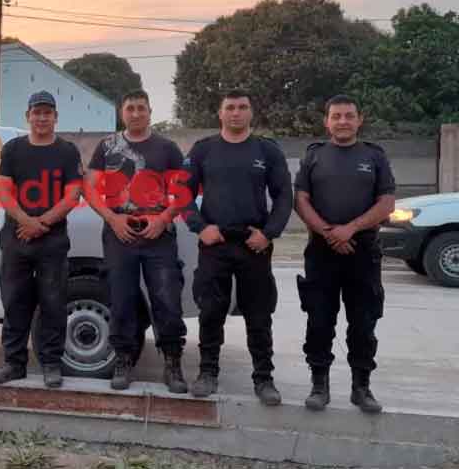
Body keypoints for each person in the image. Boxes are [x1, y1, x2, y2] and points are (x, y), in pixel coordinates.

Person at [180, 89, 293, 405]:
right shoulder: (204, 151)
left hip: (253, 245)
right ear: (220, 113)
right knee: (210, 312)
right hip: (215, 245)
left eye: (242, 107)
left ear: (250, 112)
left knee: (259, 315)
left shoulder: (266, 150)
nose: (236, 113)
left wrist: (269, 233)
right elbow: (182, 195)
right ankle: (207, 373)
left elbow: (284, 196)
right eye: (230, 107)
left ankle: (264, 379)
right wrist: (200, 228)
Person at [293, 94, 395, 414]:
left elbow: (387, 203)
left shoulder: (374, 156)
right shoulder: (314, 156)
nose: (342, 121)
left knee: (363, 321)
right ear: (327, 121)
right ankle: (318, 385)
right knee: (320, 319)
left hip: (363, 251)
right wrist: (328, 232)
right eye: (336, 116)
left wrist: (349, 229)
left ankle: (361, 387)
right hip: (321, 250)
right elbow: (301, 200)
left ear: (359, 119)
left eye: (349, 115)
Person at [85, 89, 188, 393]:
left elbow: (182, 193)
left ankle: (173, 362)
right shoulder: (106, 147)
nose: (136, 113)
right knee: (122, 300)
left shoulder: (166, 148)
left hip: (158, 236)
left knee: (167, 300)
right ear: (122, 113)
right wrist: (111, 218)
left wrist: (163, 220)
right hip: (120, 233)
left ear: (150, 112)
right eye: (130, 108)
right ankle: (124, 360)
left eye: (141, 108)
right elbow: (89, 188)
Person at [0, 90, 84, 389]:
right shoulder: (14, 150)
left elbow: (73, 195)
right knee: (15, 301)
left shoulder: (67, 151)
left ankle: (51, 364)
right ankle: (13, 364)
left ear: (56, 117)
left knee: (53, 303)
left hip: (52, 241)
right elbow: (3, 191)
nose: (42, 118)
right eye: (36, 112)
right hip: (16, 239)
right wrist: (26, 221)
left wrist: (41, 223)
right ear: (27, 116)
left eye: (47, 113)